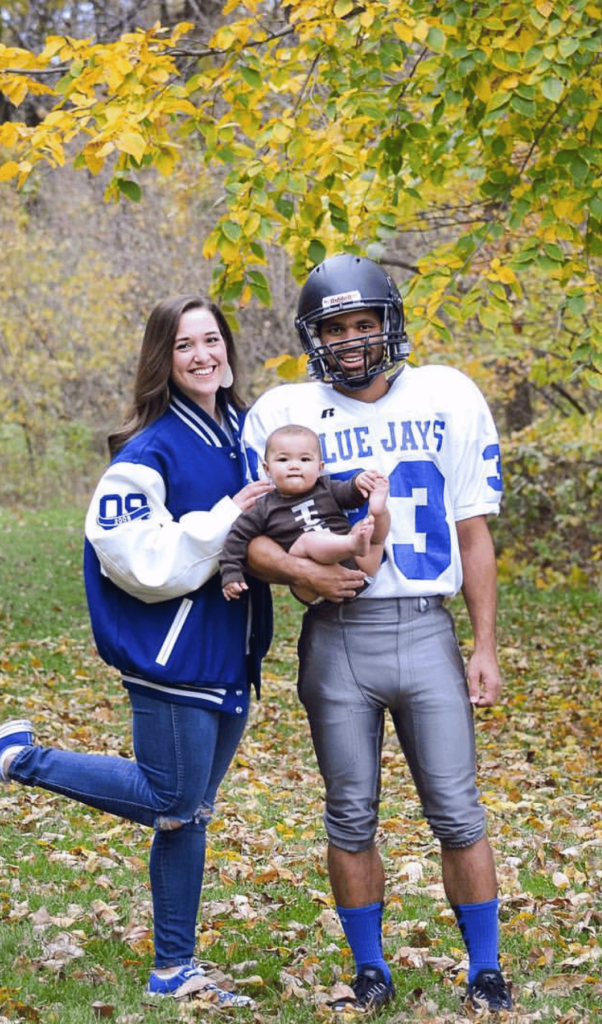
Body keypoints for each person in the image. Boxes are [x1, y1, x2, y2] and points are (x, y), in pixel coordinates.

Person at [242, 254, 513, 1014]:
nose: (353, 340)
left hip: (426, 629)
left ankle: (484, 968)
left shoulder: (448, 393)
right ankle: (370, 970)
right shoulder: (283, 414)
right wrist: (302, 577)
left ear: (390, 326)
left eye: (366, 323)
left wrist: (483, 645)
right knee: (349, 811)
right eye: (336, 327)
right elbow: (252, 532)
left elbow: (472, 531)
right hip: (336, 635)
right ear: (312, 337)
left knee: (457, 809)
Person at [0, 295, 273, 1008]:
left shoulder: (244, 430)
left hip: (230, 650)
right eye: (185, 345)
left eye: (212, 339)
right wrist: (226, 520)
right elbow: (136, 558)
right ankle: (19, 760)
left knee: (190, 812)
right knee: (171, 796)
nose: (203, 355)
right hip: (173, 652)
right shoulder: (147, 449)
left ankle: (172, 970)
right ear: (163, 356)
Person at [219, 423, 390, 606]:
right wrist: (231, 572)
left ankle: (378, 511)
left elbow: (349, 496)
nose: (294, 466)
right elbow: (237, 537)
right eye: (283, 460)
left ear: (320, 467)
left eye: (305, 460)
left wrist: (357, 483)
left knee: (369, 527)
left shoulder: (326, 488)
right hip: (309, 583)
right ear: (267, 469)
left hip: (360, 569)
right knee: (308, 540)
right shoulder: (263, 507)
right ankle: (352, 543)